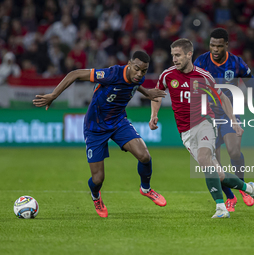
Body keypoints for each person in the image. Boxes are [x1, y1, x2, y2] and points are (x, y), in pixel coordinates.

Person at [33, 51, 168, 217]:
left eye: (144, 71)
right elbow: (75, 74)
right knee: (98, 179)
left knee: (145, 156)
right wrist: (53, 95)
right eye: (137, 69)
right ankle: (95, 196)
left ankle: (145, 189)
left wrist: (147, 93)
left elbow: (133, 84)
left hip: (118, 122)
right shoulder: (111, 74)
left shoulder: (138, 77)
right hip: (95, 127)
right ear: (129, 64)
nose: (139, 74)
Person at [149, 38, 254, 219]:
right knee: (218, 175)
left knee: (204, 159)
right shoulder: (168, 75)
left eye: (178, 55)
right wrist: (154, 115)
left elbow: (223, 99)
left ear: (189, 54)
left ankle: (221, 208)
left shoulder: (203, 76)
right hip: (185, 133)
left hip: (204, 124)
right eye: (173, 55)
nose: (174, 59)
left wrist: (234, 122)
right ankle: (250, 189)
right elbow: (157, 95)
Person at [194, 28, 254, 212]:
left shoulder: (237, 63)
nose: (215, 49)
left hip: (231, 113)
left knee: (234, 152)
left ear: (226, 45)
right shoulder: (201, 62)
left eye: (219, 46)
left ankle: (244, 187)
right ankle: (230, 196)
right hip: (209, 116)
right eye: (212, 45)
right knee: (214, 162)